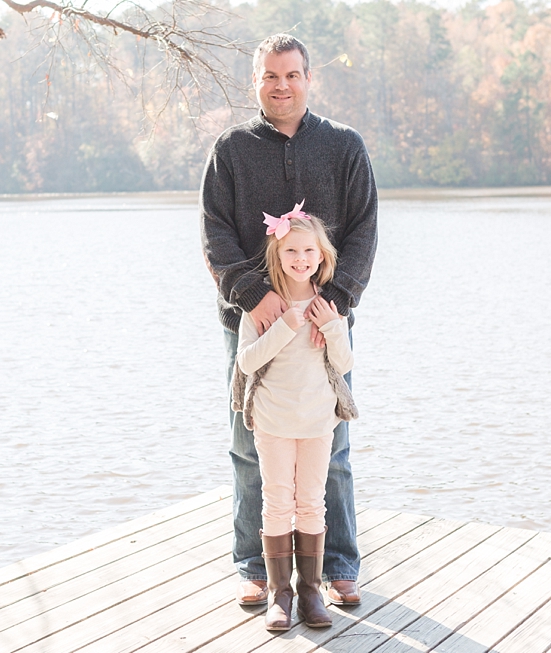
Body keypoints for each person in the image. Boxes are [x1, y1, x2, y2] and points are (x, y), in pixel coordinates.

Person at [200, 33, 378, 610]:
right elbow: (215, 235)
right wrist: (254, 294)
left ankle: (338, 564)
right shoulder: (230, 150)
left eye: (292, 75)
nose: (282, 86)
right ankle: (256, 566)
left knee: (334, 445)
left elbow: (364, 231)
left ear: (308, 78)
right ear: (256, 81)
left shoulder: (344, 146)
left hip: (324, 323)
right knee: (251, 444)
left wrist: (337, 302)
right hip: (252, 322)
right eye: (271, 76)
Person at [231, 207, 357, 630]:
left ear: (321, 256)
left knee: (311, 502)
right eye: (291, 251)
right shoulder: (266, 306)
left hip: (318, 420)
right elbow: (247, 361)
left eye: (308, 250)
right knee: (276, 500)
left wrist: (332, 326)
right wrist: (284, 325)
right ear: (277, 254)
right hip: (273, 420)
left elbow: (344, 361)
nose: (300, 258)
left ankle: (309, 592)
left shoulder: (327, 305)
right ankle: (280, 596)